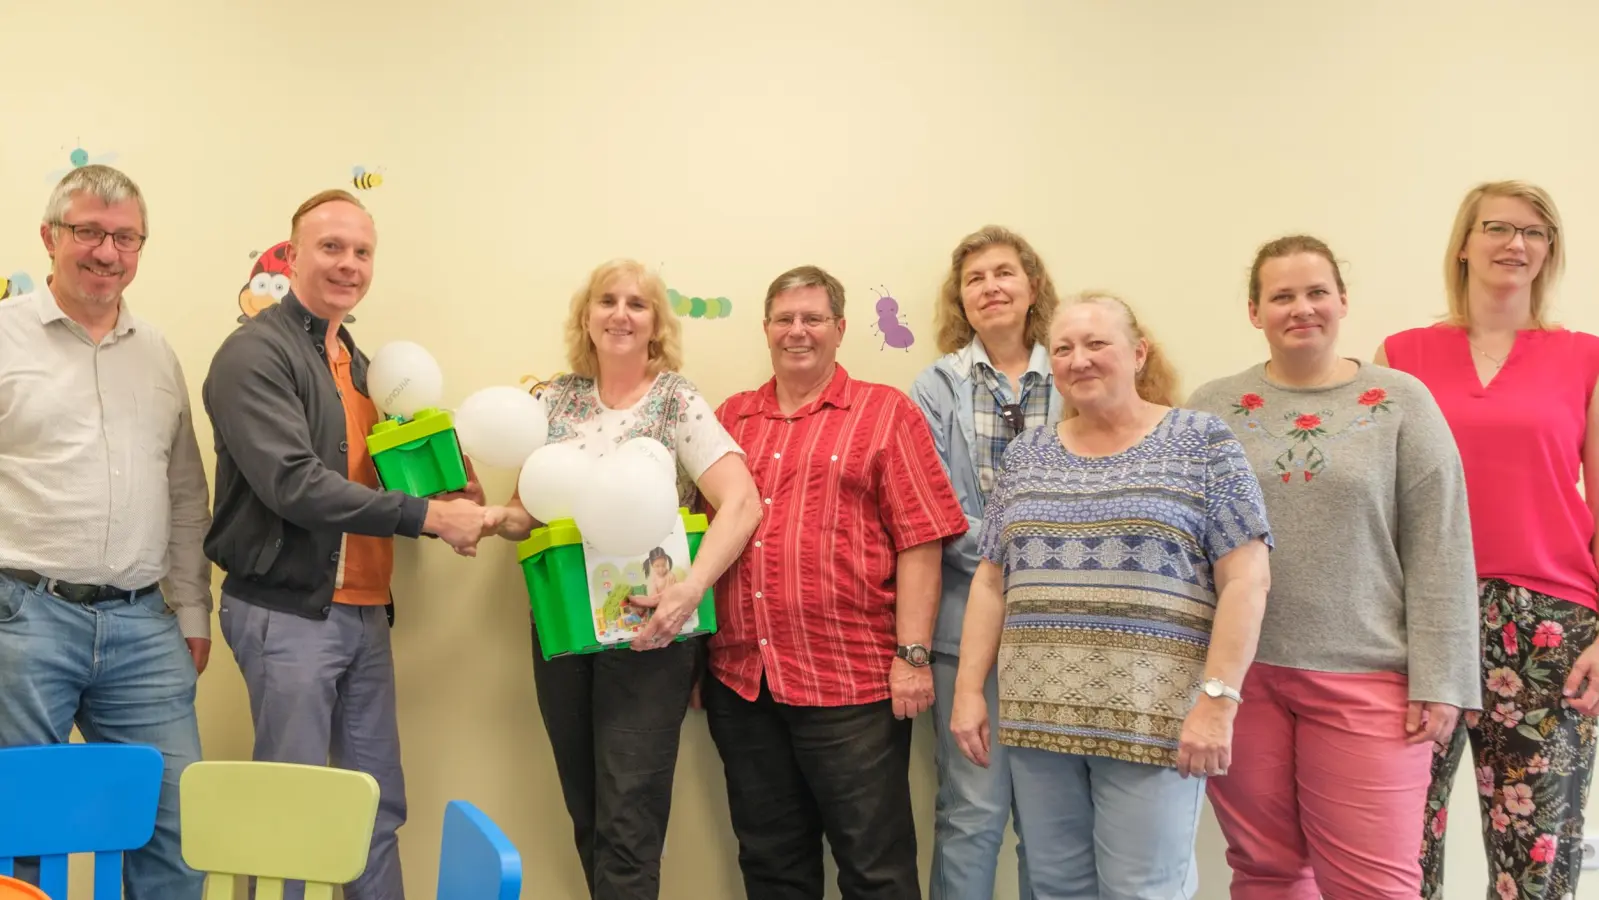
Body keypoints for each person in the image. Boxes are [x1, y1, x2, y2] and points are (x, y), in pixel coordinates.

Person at [202, 189, 491, 900]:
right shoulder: (253, 354)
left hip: (364, 612)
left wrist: (447, 487)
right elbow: (295, 485)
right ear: (292, 256)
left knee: (375, 809)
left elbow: (370, 466)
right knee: (295, 817)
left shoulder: (360, 365)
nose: (348, 264)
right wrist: (427, 517)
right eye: (330, 247)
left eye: (362, 252)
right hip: (288, 613)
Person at [951, 291, 1273, 900]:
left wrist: (1218, 701)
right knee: (1055, 888)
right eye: (1063, 349)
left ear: (1138, 353)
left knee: (1141, 890)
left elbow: (1247, 579)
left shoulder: (1201, 441)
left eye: (1097, 343)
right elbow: (991, 581)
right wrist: (969, 691)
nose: (1079, 360)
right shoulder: (1026, 456)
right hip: (1038, 724)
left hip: (1154, 723)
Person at [1188, 235, 1479, 899]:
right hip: (1242, 678)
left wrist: (1442, 677)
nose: (1301, 308)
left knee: (1373, 884)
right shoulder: (1211, 407)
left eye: (1316, 292)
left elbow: (1440, 542)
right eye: (1281, 296)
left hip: (1368, 677)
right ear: (1254, 311)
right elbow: (1185, 541)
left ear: (1342, 301)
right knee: (1265, 870)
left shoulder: (1401, 401)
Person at [486, 258, 762, 899]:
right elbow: (530, 513)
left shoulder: (676, 400)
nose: (620, 314)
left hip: (649, 637)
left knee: (628, 821)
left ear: (656, 324)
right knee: (587, 813)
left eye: (637, 304)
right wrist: (489, 514)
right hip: (561, 633)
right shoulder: (554, 400)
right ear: (585, 317)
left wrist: (692, 588)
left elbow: (743, 502)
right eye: (607, 300)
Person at [705, 264, 968, 899]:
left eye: (813, 318)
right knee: (770, 864)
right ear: (766, 328)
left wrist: (913, 657)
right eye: (784, 319)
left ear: (841, 328)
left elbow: (922, 539)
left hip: (852, 683)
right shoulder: (730, 419)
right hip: (744, 682)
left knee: (875, 867)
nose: (797, 331)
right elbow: (695, 539)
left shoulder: (886, 412)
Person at [1378, 180, 1599, 900]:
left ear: (1549, 250)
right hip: (1418, 619)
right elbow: (1374, 499)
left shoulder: (1586, 358)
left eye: (1534, 232)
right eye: (1498, 228)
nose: (1515, 244)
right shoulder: (1400, 356)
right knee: (1397, 846)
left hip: (1548, 626)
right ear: (1465, 245)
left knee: (1535, 857)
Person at [0, 165, 210, 899]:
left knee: (178, 834)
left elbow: (185, 491)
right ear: (49, 237)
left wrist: (192, 609)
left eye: (125, 238)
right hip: (23, 619)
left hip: (143, 625)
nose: (106, 252)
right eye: (88, 231)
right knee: (20, 836)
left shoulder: (157, 352)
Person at [910, 225, 1063, 899]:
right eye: (974, 279)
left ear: (1032, 286)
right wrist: (1036, 551)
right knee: (970, 813)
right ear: (960, 299)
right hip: (959, 627)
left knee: (1051, 822)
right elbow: (934, 511)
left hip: (1061, 629)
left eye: (1004, 273)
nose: (990, 288)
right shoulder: (936, 386)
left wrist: (1031, 557)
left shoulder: (1073, 369)